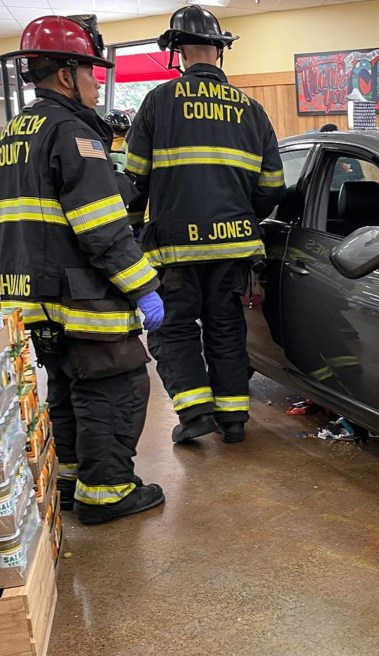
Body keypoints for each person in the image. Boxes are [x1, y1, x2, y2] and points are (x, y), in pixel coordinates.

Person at [0, 15, 166, 524]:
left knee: (69, 388)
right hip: (80, 294)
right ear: (68, 74)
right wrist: (144, 287)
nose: (98, 84)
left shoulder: (16, 131)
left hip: (33, 296)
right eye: (93, 73)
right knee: (115, 385)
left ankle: (70, 483)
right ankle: (107, 492)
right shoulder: (73, 132)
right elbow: (101, 227)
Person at [125, 5, 285, 445]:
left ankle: (195, 413)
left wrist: (133, 235)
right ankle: (234, 420)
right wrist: (240, 213)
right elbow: (273, 186)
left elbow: (134, 179)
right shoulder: (252, 110)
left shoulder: (159, 102)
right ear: (220, 51)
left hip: (175, 248)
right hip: (234, 246)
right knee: (226, 327)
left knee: (175, 329)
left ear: (176, 51)